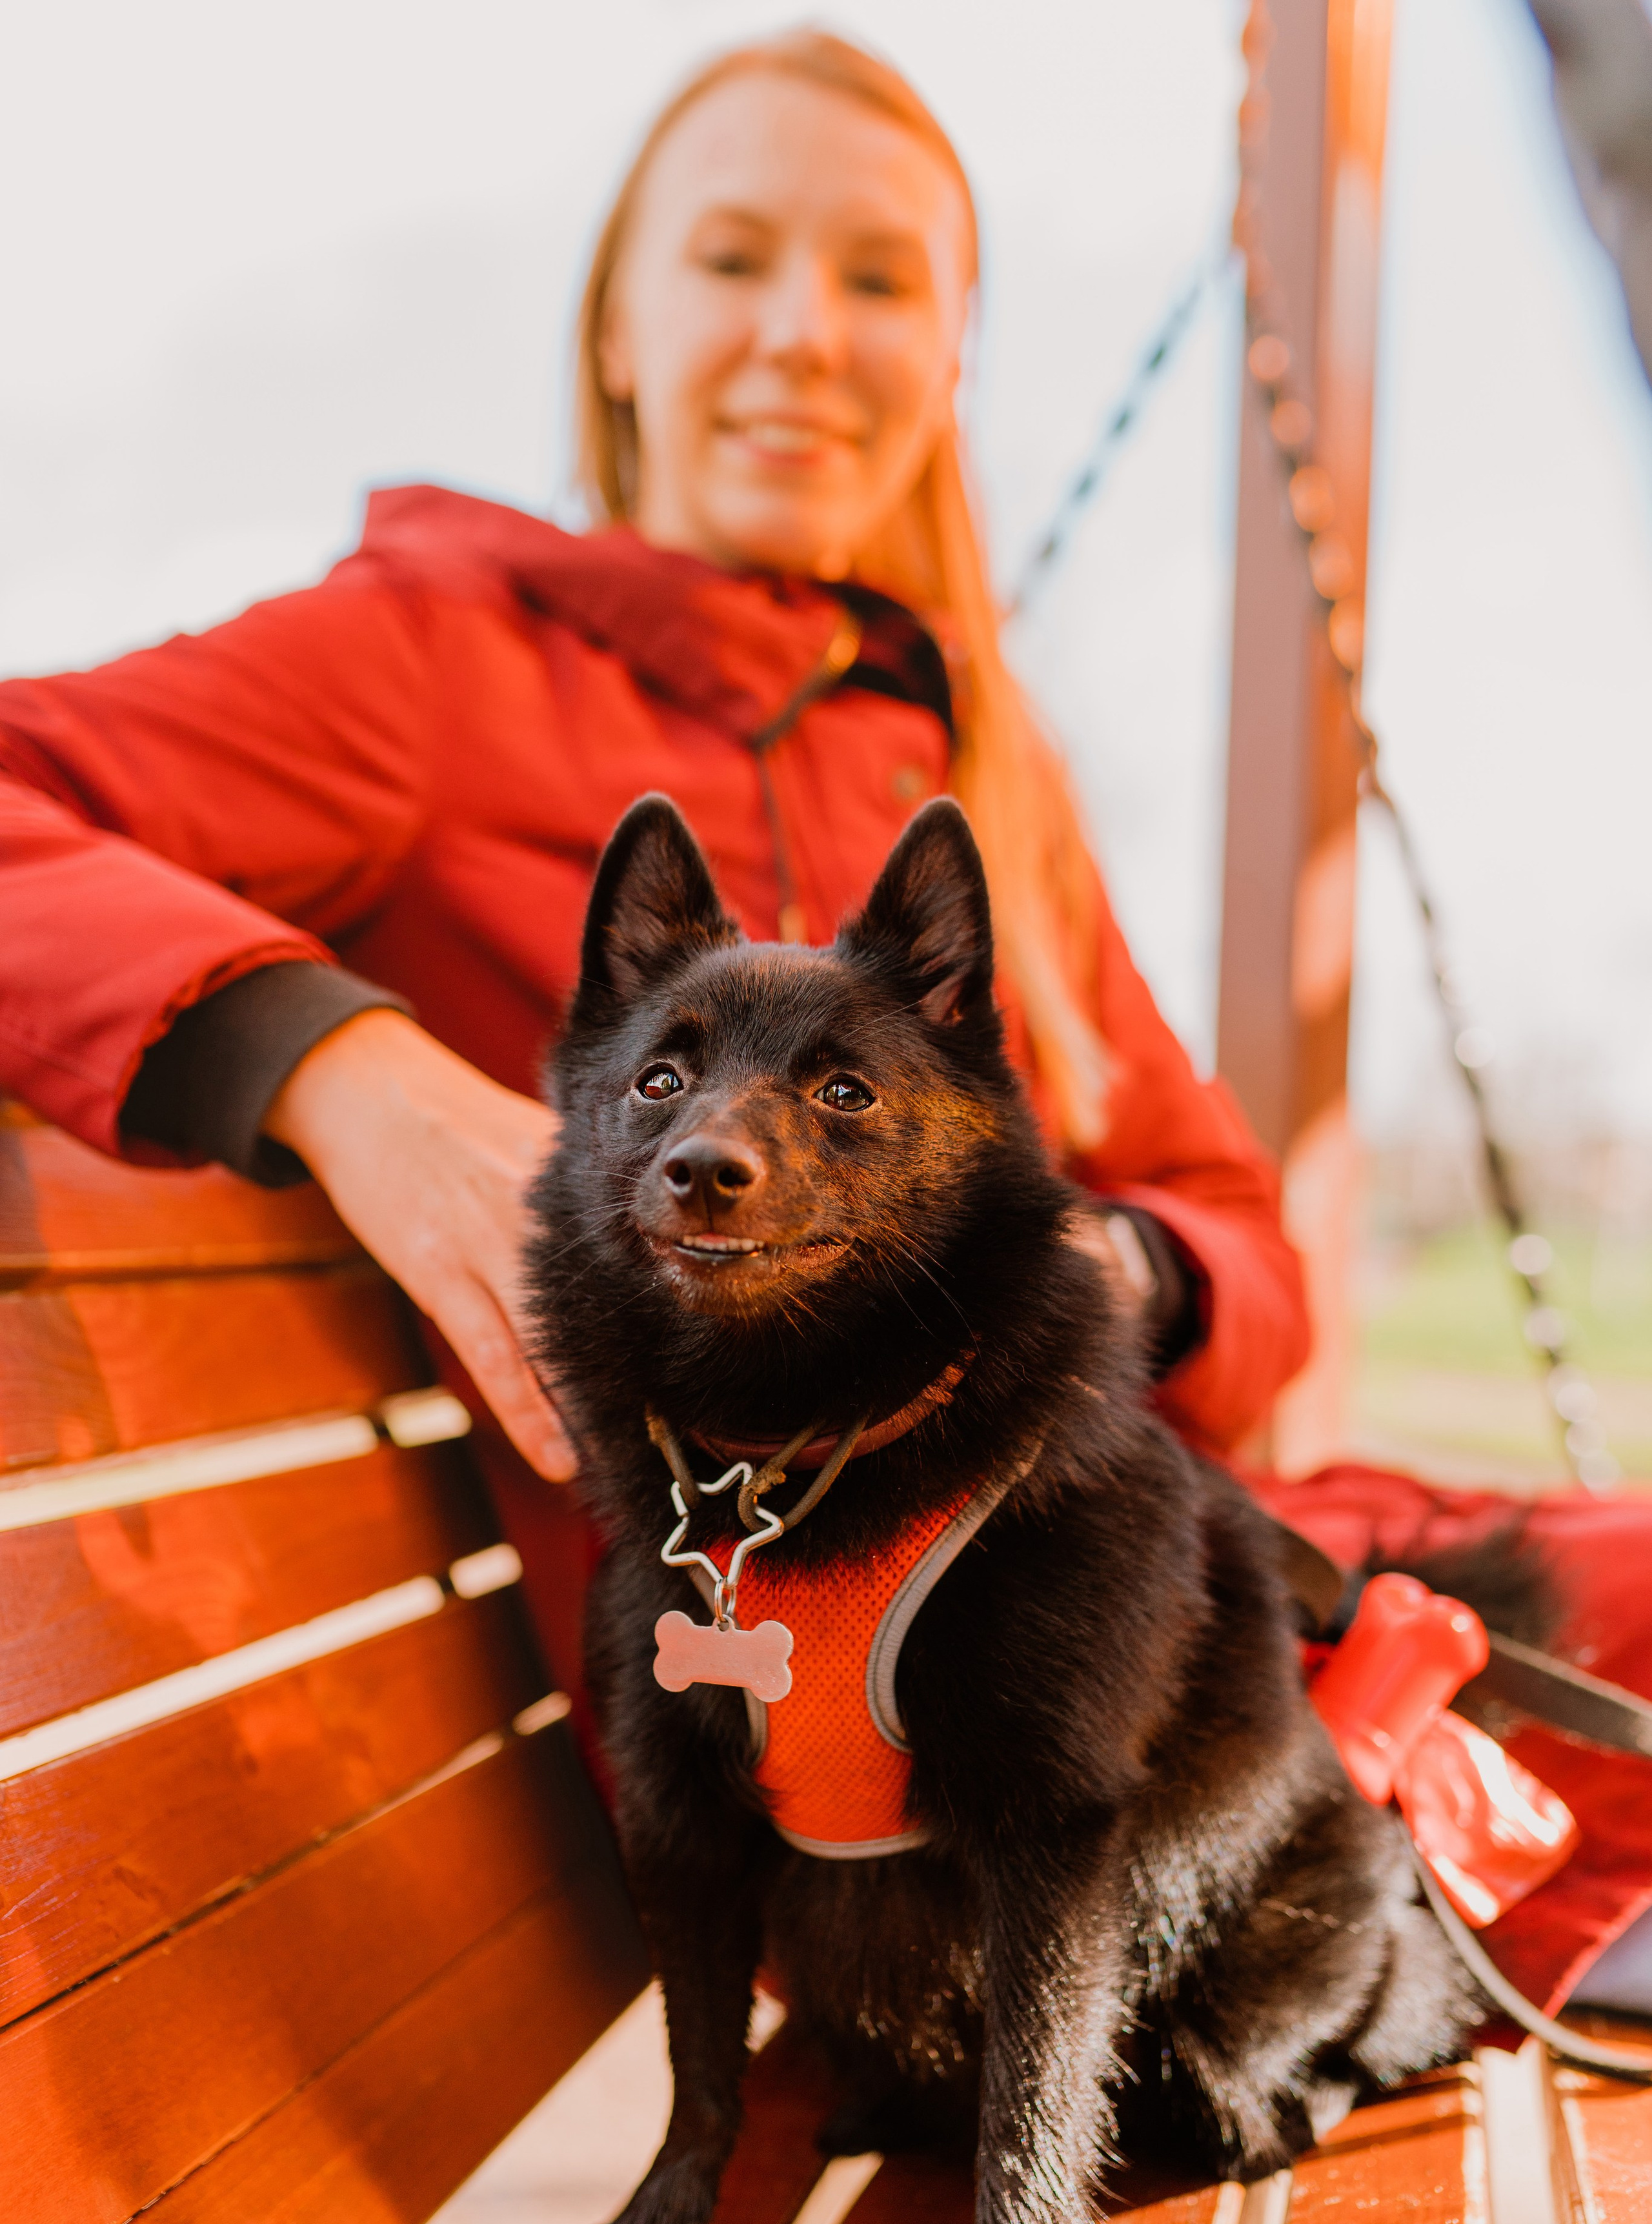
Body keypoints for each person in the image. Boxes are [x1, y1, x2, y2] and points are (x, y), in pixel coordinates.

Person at [0, 30, 1644, 2017]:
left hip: (1134, 1578)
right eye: (733, 259)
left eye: (881, 281)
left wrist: (1120, 1270)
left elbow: (1238, 1233)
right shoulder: (435, 660)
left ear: (946, 363)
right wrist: (346, 1074)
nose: (804, 331)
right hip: (867, 1750)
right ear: (619, 331)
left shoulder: (966, 759)